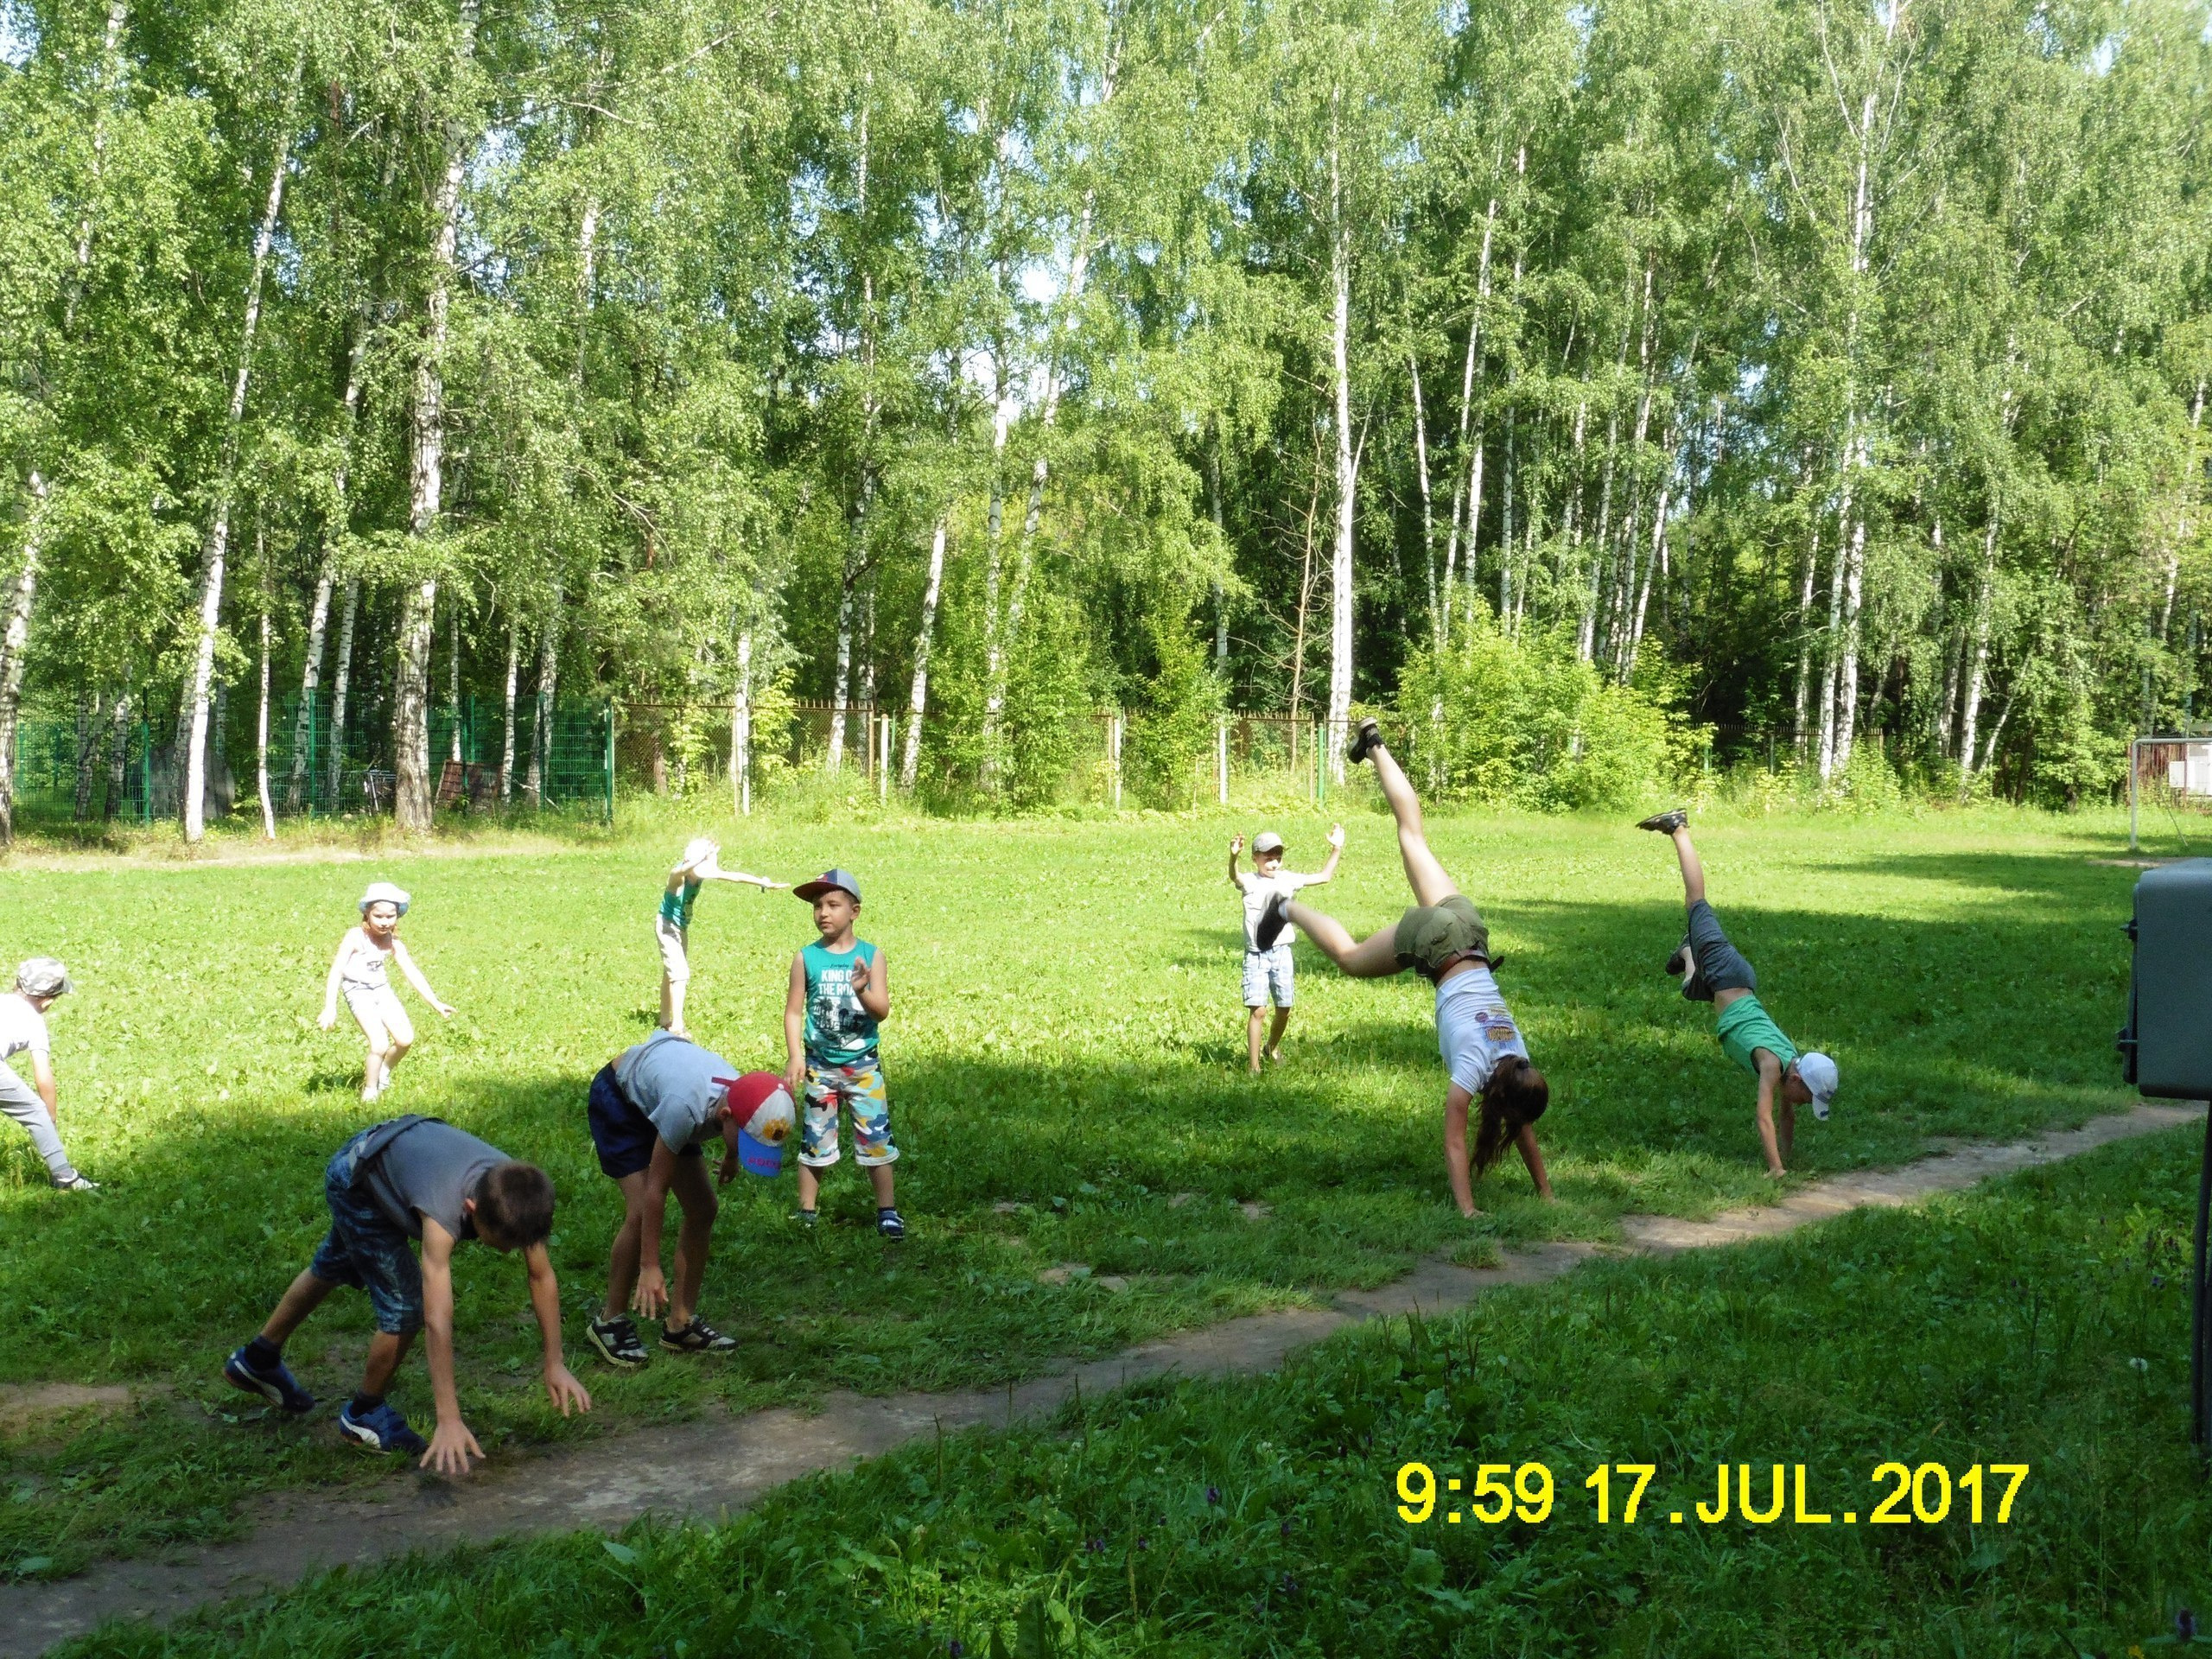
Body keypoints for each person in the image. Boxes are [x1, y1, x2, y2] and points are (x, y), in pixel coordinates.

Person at [1259, 719, 1552, 1217]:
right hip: (1437, 945)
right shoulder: (1474, 1069)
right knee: (1350, 959)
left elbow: (1520, 1123)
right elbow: (1456, 1143)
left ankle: (1374, 745)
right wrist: (1467, 1210)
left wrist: (1546, 1193)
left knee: (1413, 836)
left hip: (1469, 931)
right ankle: (1285, 908)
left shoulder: (1516, 1058)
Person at [222, 1115, 590, 1472]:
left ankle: (258, 1359)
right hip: (359, 1183)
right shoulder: (443, 1215)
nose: (510, 1251)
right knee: (405, 1307)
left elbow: (541, 1276)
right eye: (501, 1243)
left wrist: (554, 1362)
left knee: (333, 1265)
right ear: (470, 1209)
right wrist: (448, 1417)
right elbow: (437, 1317)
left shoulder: (516, 1193)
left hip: (388, 1154)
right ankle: (364, 1413)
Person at [1637, 808, 1838, 1176]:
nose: (1803, 1104)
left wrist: (1788, 1156)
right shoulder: (1773, 1064)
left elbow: (1785, 1116)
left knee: (1689, 989)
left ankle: (1687, 951)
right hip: (1727, 972)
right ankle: (1678, 828)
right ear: (1797, 1080)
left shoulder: (1790, 1065)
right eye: (1807, 1098)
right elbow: (1764, 1117)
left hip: (1723, 984)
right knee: (1696, 900)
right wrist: (1776, 1169)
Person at [583, 1031, 759, 1368]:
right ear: (724, 1118)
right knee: (639, 1213)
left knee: (703, 1208)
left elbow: (740, 1124)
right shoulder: (685, 1108)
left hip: (662, 1100)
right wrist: (649, 1266)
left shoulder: (740, 1097)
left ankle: (680, 1324)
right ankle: (609, 1320)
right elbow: (656, 1191)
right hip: (621, 1102)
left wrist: (733, 1154)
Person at [784, 868, 901, 1236]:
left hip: (863, 1065)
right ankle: (806, 1212)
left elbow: (881, 1010)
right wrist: (795, 1056)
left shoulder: (871, 955)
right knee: (814, 1139)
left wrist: (863, 989)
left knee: (876, 1139)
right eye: (818, 905)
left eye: (833, 904)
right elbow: (793, 1011)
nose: (823, 912)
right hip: (820, 1065)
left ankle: (887, 1211)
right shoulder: (806, 958)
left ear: (855, 911)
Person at [319, 882, 454, 1103]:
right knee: (379, 1043)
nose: (385, 922)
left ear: (397, 916)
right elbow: (336, 971)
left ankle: (383, 1070)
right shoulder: (355, 937)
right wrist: (330, 1007)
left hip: (381, 990)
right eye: (378, 916)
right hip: (358, 991)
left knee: (405, 1039)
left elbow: (412, 972)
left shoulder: (393, 943)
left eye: (390, 916)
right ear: (367, 914)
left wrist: (435, 1002)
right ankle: (370, 1091)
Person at [1229, 825, 1344, 1073]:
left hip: (1282, 953)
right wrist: (1233, 857)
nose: (1273, 862)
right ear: (1255, 858)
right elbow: (1234, 877)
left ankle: (1271, 1047)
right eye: (1267, 857)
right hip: (1257, 955)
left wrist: (1337, 847)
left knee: (1284, 1008)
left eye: (1277, 857)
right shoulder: (1250, 881)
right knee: (1258, 1010)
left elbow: (1324, 876)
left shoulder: (1288, 879)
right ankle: (1254, 1066)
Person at [658, 838, 785, 1039]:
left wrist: (762, 882)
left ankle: (665, 1018)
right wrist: (700, 858)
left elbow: (733, 876)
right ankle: (677, 1027)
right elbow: (682, 870)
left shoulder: (699, 874)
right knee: (680, 974)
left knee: (671, 971)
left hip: (681, 927)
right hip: (667, 927)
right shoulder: (677, 877)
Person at [0, 958, 96, 1192]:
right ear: (48, 1001)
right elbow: (43, 1077)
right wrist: (48, 1118)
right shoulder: (34, 1022)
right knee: (35, 1110)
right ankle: (65, 1177)